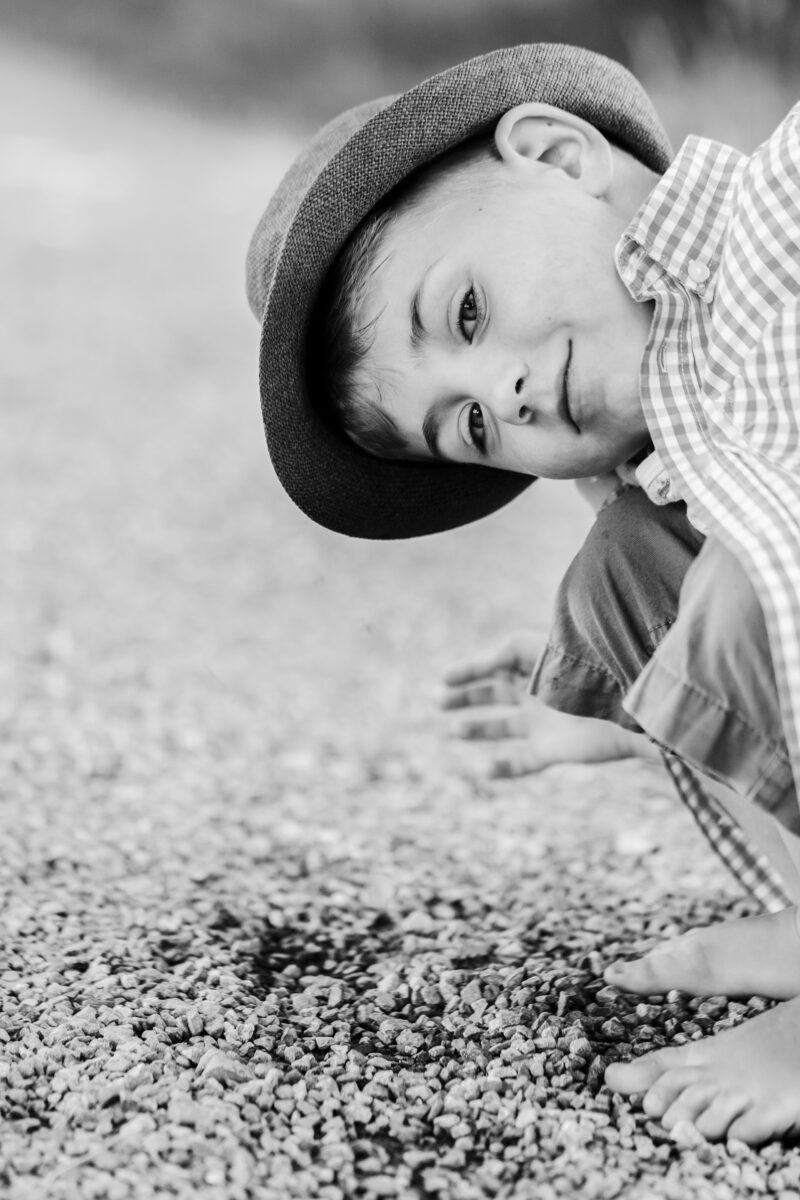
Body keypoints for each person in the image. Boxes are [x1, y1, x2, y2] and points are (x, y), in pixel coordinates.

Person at [246, 43, 800, 1143]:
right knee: (628, 580)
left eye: (460, 314)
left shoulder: (776, 217)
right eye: (471, 429)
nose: (498, 389)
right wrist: (650, 714)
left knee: (737, 569)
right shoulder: (666, 445)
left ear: (556, 153)